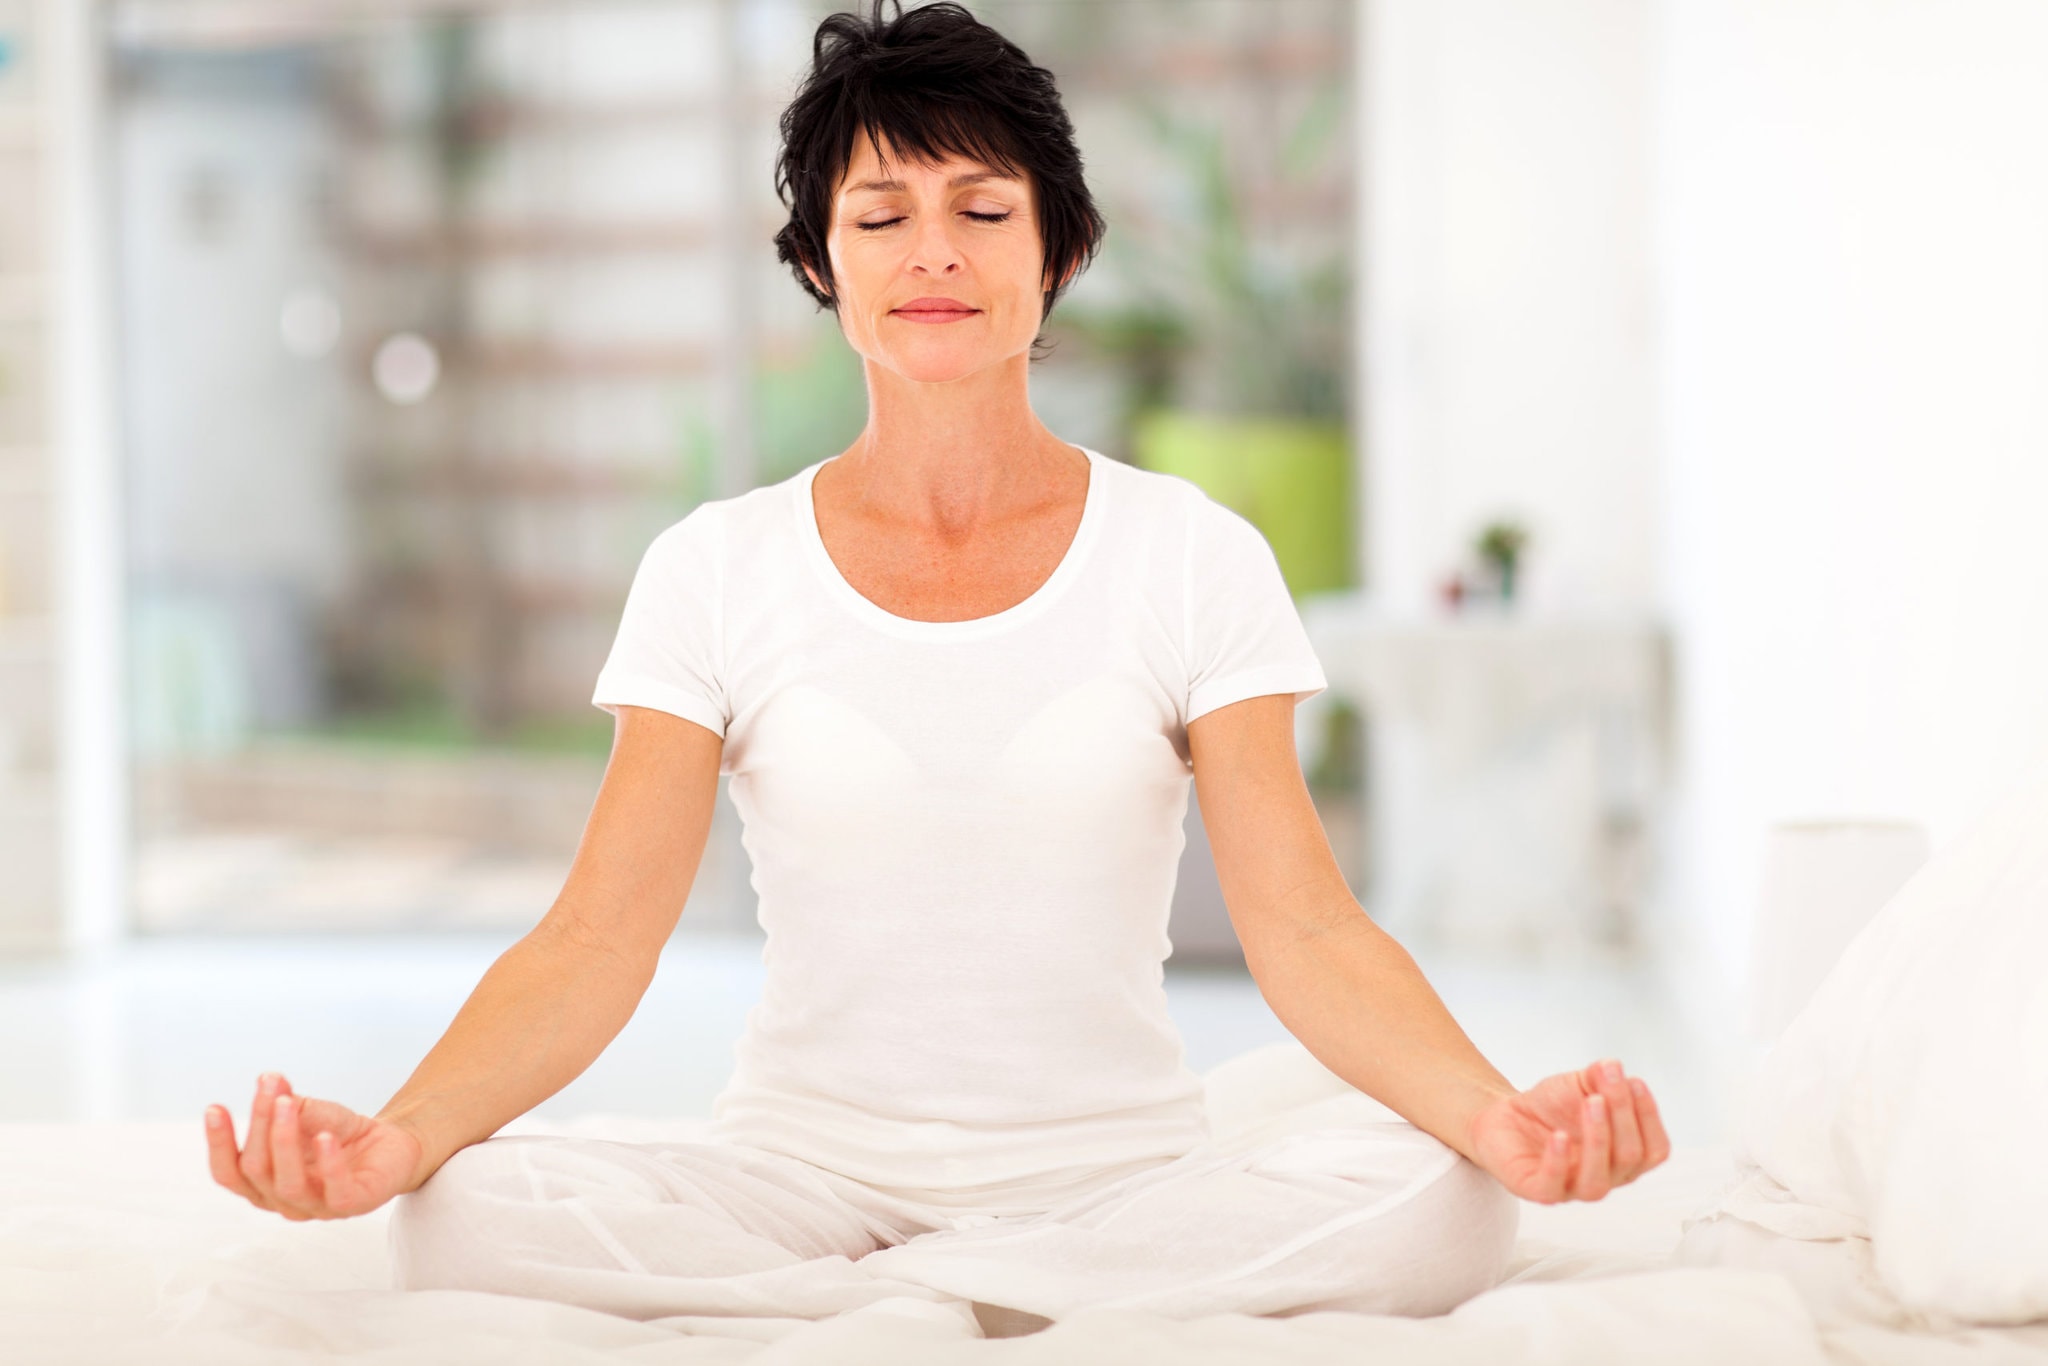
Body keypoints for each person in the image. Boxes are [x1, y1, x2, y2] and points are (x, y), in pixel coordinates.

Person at [201, 0, 1670, 1333]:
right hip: (795, 1180)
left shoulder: (1188, 552)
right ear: (817, 263)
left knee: (1446, 1198)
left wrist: (1499, 1120)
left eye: (982, 208)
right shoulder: (715, 568)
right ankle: (977, 1298)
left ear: (1061, 253)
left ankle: (905, 1306)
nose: (934, 256)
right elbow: (596, 939)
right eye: (881, 215)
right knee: (457, 1212)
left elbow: (1308, 928)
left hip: (1122, 1183)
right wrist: (398, 1136)